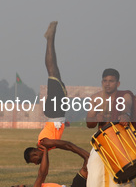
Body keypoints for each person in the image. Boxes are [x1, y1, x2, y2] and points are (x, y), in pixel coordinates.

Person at [24, 22, 88, 164]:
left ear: (34, 152)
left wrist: (84, 154)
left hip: (55, 112)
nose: (37, 162)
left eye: (34, 160)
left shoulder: (45, 143)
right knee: (55, 73)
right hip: (56, 113)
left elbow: (67, 145)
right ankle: (50, 39)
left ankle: (49, 39)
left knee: (52, 72)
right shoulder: (46, 146)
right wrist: (64, 123)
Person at [85, 68, 136, 187]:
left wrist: (125, 115)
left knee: (124, 174)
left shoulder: (125, 95)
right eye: (105, 81)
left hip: (119, 140)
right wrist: (96, 119)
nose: (108, 84)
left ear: (118, 83)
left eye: (111, 81)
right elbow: (89, 122)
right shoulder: (96, 98)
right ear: (102, 82)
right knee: (95, 172)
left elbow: (127, 108)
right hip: (101, 141)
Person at [9, 143, 89, 187]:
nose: (22, 185)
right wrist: (45, 152)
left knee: (90, 170)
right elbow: (42, 174)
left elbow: (45, 170)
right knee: (86, 167)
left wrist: (45, 152)